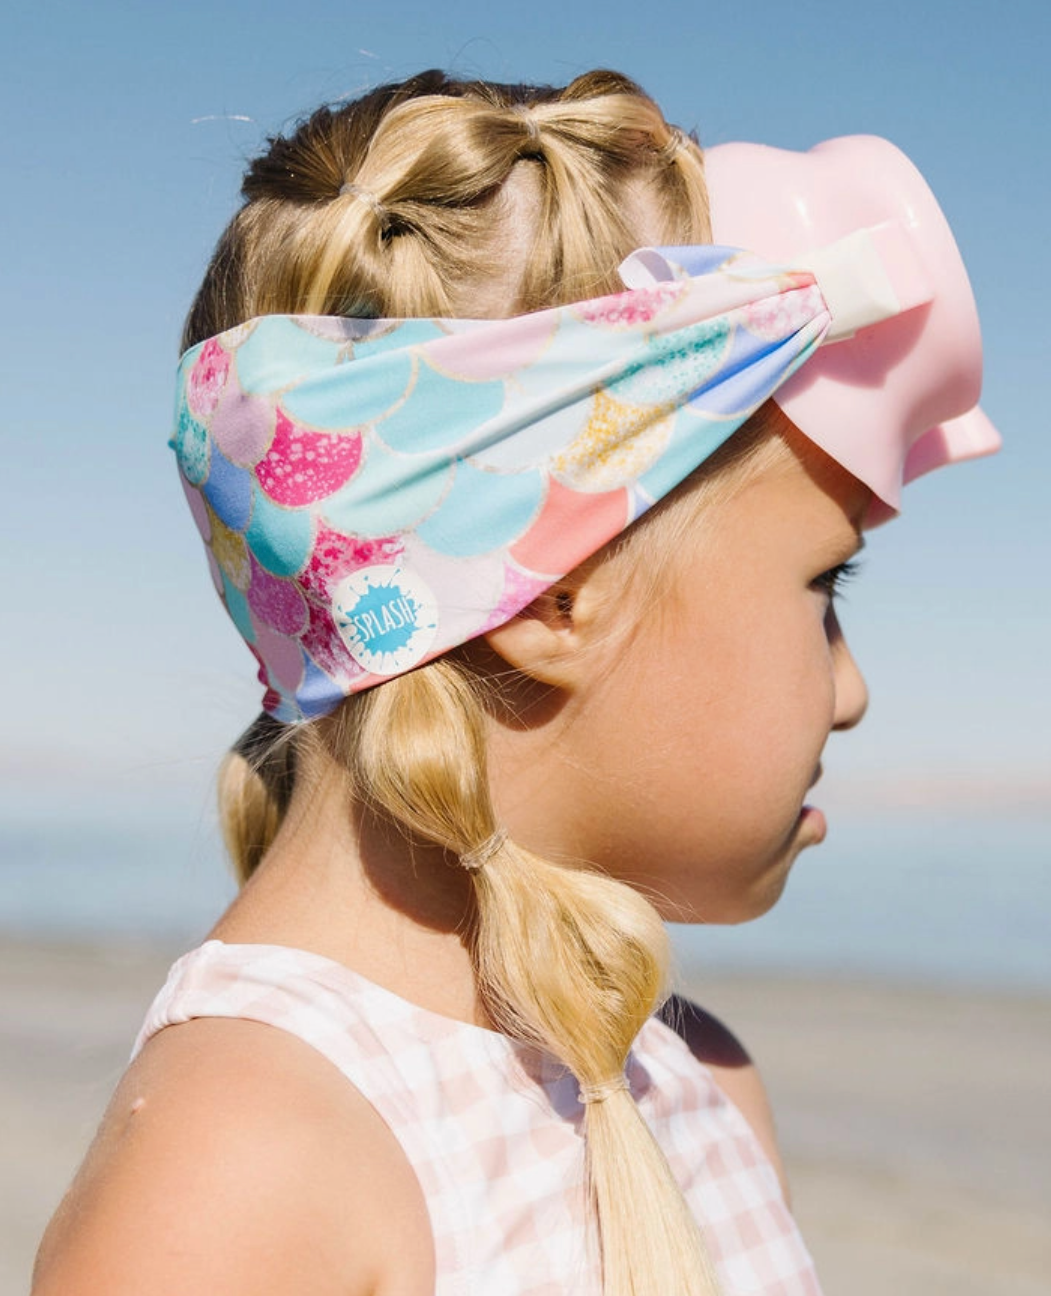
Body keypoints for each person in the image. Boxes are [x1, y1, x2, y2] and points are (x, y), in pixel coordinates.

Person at [32, 69, 997, 1296]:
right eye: (827, 586)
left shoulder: (697, 1085)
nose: (851, 691)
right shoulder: (244, 1174)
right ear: (554, 594)